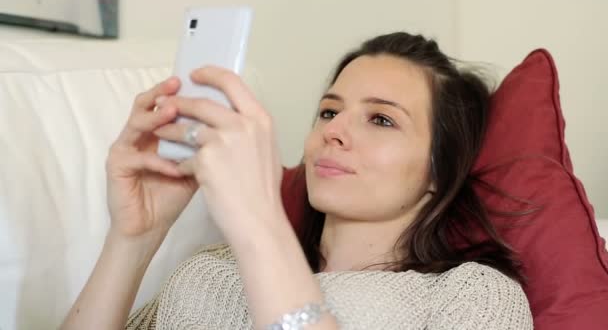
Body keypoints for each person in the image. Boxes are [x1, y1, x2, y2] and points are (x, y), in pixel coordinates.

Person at [60, 32, 533, 330]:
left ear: (439, 171)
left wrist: (259, 225)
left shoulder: (473, 295)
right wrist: (135, 237)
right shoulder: (208, 272)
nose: (334, 131)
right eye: (329, 111)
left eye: (382, 120)